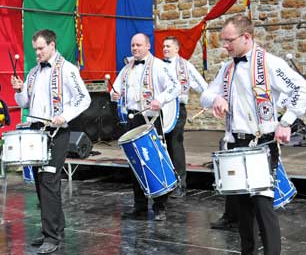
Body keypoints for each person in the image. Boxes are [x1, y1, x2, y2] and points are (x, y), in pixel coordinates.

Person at [200, 15, 306, 254]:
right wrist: (216, 98)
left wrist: (287, 121)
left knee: (262, 205)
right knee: (242, 208)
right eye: (223, 41)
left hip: (261, 143)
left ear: (246, 37)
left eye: (229, 41)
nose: (225, 46)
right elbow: (205, 95)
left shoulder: (270, 63)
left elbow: (301, 88)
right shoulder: (227, 69)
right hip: (235, 142)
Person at [11, 29, 91, 254]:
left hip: (57, 132)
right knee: (40, 182)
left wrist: (64, 116)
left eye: (41, 48)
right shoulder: (34, 72)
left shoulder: (67, 69)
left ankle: (51, 236)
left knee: (48, 181)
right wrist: (18, 90)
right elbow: (25, 102)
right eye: (35, 49)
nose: (37, 53)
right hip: (36, 133)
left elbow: (84, 99)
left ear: (52, 45)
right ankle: (56, 226)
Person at [110, 33, 180, 221]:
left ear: (148, 46)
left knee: (154, 162)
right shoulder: (126, 69)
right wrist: (114, 95)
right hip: (132, 119)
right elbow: (115, 90)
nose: (135, 48)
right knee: (136, 164)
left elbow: (175, 87)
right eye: (132, 45)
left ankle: (160, 207)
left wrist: (160, 100)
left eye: (139, 45)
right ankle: (139, 206)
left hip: (150, 120)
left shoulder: (158, 65)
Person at [162, 36, 208, 197]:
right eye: (163, 46)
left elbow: (202, 85)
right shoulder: (158, 65)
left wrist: (210, 101)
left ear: (177, 49)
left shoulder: (185, 66)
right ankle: (165, 181)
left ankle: (180, 183)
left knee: (175, 145)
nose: (165, 49)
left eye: (168, 46)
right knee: (162, 146)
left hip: (177, 109)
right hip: (161, 110)